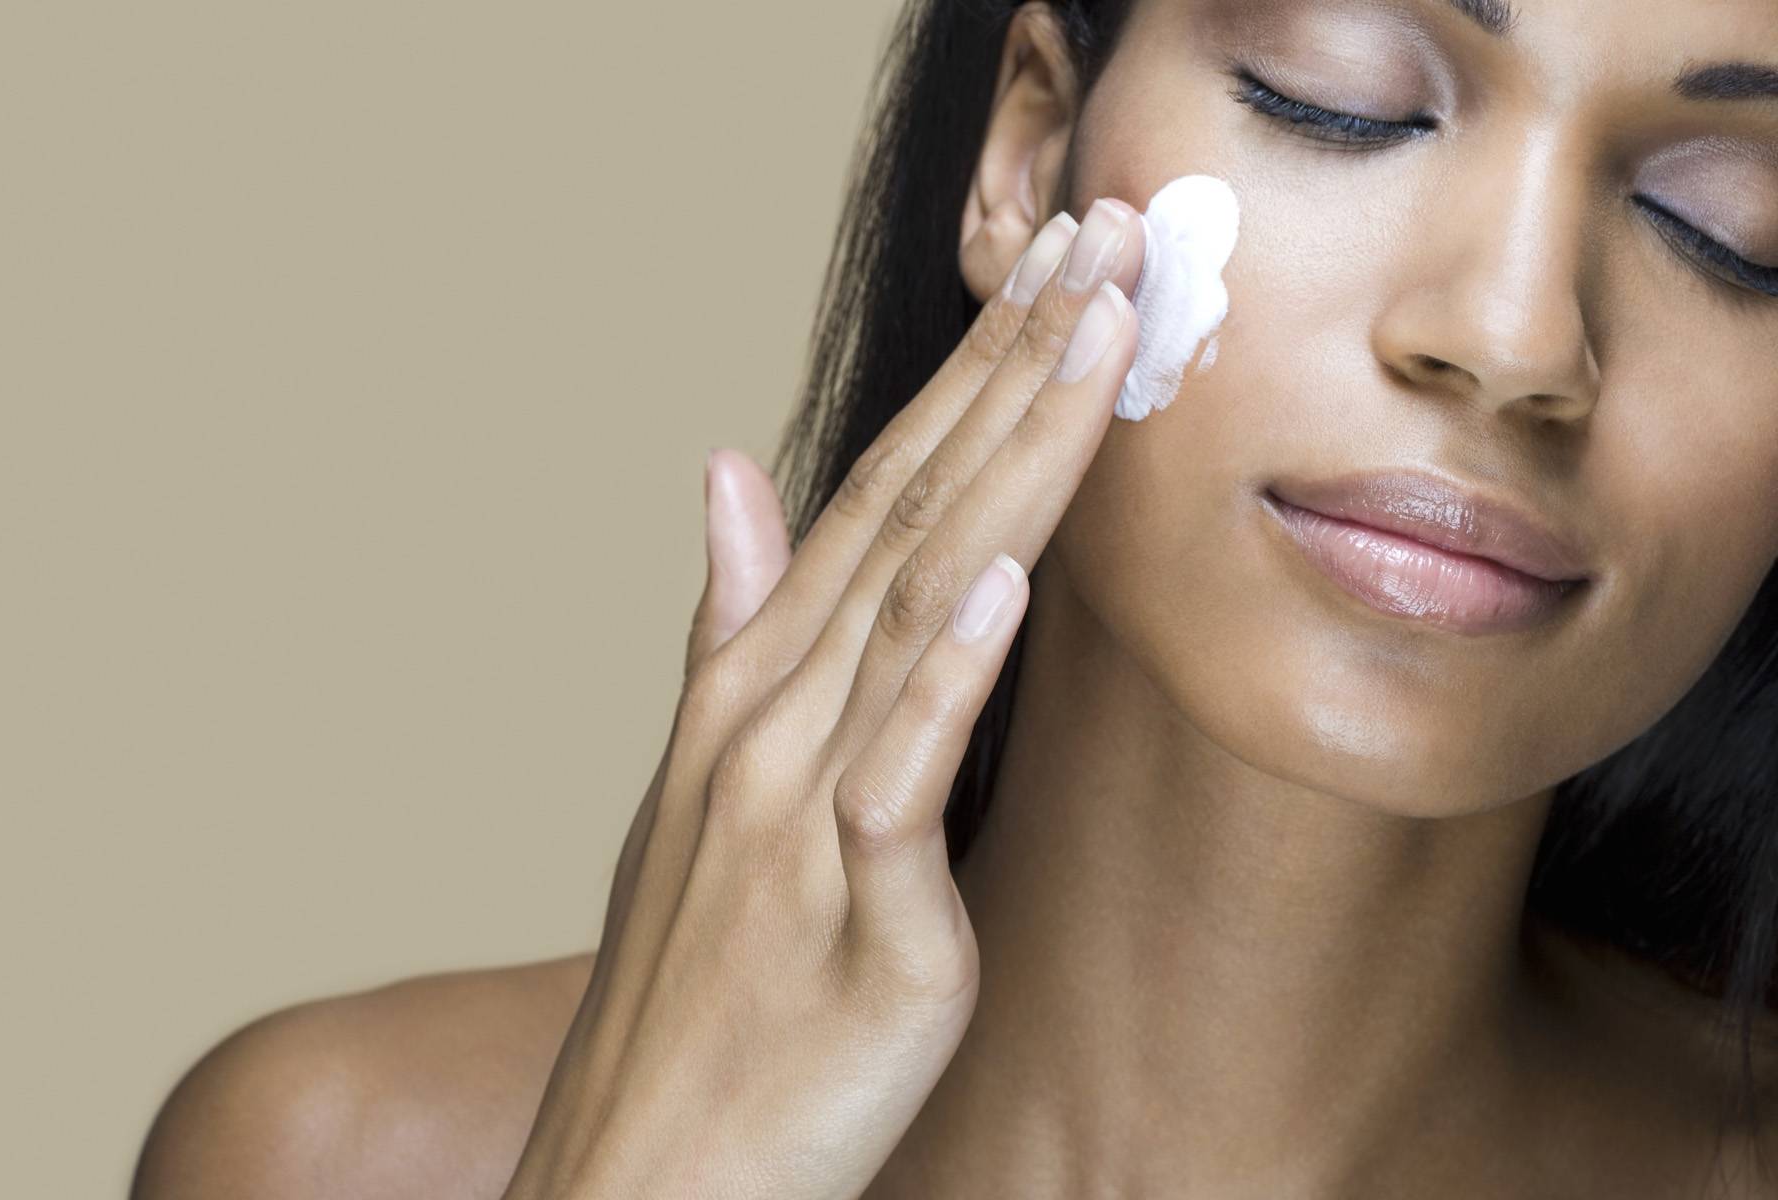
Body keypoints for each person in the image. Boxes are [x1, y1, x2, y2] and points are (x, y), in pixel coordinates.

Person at [130, 0, 1778, 1195]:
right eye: (1337, 95)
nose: (1511, 340)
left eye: (1730, 232)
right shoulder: (330, 1155)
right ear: (1026, 154)